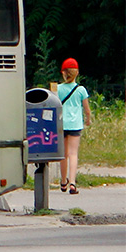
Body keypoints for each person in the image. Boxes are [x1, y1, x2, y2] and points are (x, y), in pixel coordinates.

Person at [57, 57, 92, 195]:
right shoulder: (81, 90)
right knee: (73, 154)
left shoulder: (58, 89)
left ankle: (63, 181)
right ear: (77, 73)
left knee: (63, 154)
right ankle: (72, 183)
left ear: (63, 73)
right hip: (75, 124)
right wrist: (88, 119)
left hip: (61, 124)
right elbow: (86, 109)